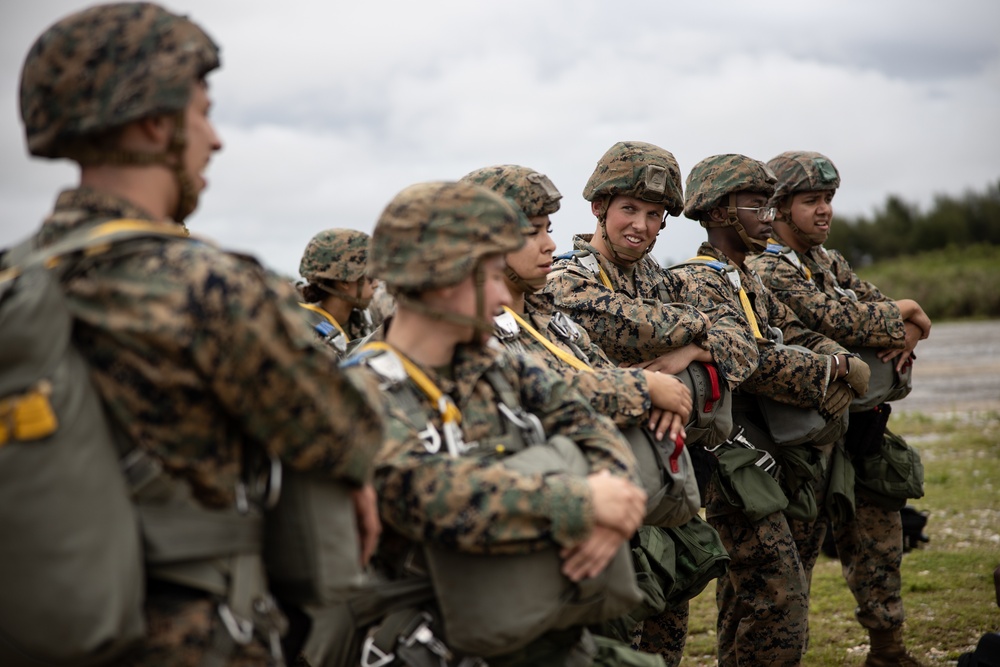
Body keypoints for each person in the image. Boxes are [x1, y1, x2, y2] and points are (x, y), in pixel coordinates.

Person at [16, 3, 382, 664]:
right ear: (158, 125)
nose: (214, 139)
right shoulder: (212, 286)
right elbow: (346, 434)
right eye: (202, 113)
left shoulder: (14, 278)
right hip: (193, 636)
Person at [348, 180, 661, 666]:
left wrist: (611, 508)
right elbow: (418, 492)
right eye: (490, 275)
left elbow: (591, 426)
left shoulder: (499, 365)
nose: (502, 294)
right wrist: (580, 503)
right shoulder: (357, 389)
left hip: (534, 628)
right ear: (440, 278)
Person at [541, 142, 759, 665]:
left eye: (655, 215)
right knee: (621, 633)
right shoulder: (567, 278)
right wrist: (698, 336)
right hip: (613, 478)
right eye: (629, 210)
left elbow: (745, 349)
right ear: (599, 208)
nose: (640, 225)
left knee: (669, 621)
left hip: (669, 475)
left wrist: (684, 350)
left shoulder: (661, 281)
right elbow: (626, 322)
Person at [676, 153, 872, 666]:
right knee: (778, 594)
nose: (768, 216)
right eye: (756, 205)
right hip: (734, 462)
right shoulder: (700, 280)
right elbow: (750, 361)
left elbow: (799, 333)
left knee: (755, 597)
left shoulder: (747, 276)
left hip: (774, 453)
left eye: (770, 205)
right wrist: (828, 375)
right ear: (720, 212)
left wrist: (839, 356)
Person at [747, 150, 932, 667]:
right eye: (811, 201)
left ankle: (888, 652)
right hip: (802, 440)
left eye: (828, 199)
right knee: (791, 564)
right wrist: (906, 315)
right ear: (779, 209)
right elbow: (843, 320)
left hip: (858, 431)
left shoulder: (828, 261)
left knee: (880, 542)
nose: (824, 210)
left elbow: (874, 310)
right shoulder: (765, 266)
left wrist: (910, 321)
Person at [460, 164, 692, 442]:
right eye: (532, 232)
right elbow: (529, 396)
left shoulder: (550, 321)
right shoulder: (466, 331)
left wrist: (661, 391)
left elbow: (603, 373)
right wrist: (646, 388)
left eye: (548, 229)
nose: (550, 245)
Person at [297, 228, 378, 358]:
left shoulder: (363, 319)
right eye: (370, 277)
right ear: (345, 282)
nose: (376, 284)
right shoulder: (304, 334)